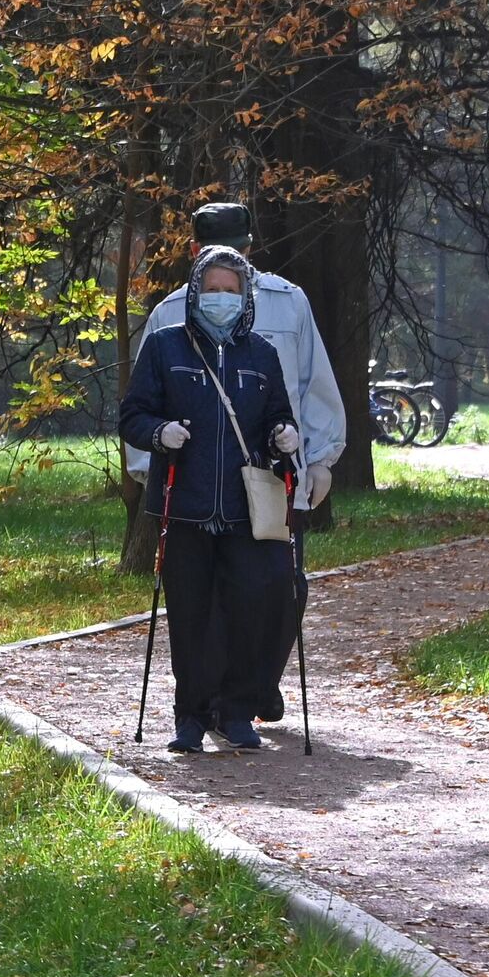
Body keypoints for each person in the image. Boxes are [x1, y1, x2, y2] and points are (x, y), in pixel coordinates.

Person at [127, 202, 345, 722]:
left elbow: (305, 386)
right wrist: (155, 462)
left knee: (272, 585)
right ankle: (231, 698)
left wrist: (317, 459)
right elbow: (148, 396)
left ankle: (254, 685)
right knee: (252, 590)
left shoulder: (288, 302)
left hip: (270, 473)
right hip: (203, 480)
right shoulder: (173, 313)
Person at [120, 246, 301, 753]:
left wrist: (283, 436)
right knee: (191, 616)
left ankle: (238, 712)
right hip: (185, 506)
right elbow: (132, 417)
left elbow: (276, 419)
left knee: (249, 609)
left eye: (231, 290)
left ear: (245, 297)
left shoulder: (262, 355)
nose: (221, 298)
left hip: (245, 508)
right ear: (196, 292)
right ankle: (191, 718)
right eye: (212, 289)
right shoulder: (164, 347)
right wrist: (160, 432)